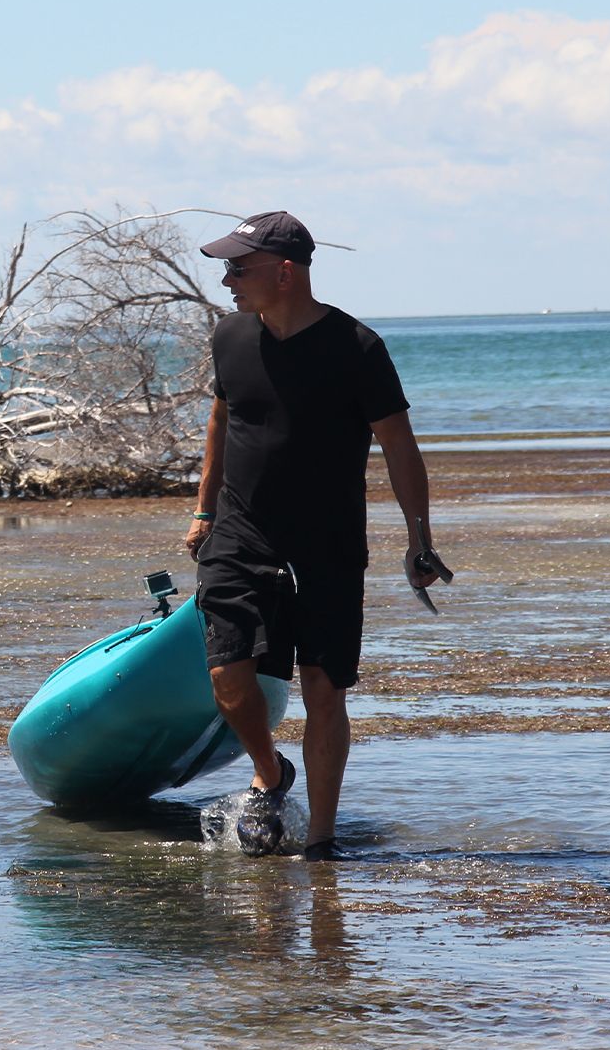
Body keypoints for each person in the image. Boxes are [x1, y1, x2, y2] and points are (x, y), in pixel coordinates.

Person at [183, 210, 443, 861]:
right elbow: (222, 421)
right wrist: (203, 510)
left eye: (238, 268)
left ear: (285, 272)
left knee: (323, 689)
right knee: (229, 679)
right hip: (240, 536)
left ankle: (320, 845)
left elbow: (400, 448)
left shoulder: (357, 349)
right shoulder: (230, 338)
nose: (226, 280)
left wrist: (419, 538)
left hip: (327, 545)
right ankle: (271, 773)